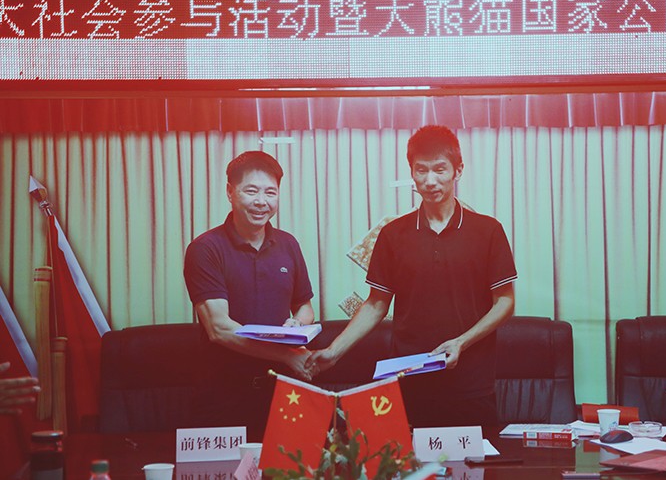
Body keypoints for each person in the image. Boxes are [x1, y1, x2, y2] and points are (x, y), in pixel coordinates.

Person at [308, 125, 516, 427]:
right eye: (421, 170)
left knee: (475, 458)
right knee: (411, 459)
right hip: (409, 381)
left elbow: (505, 302)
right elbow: (376, 304)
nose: (430, 181)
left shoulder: (488, 231)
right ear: (412, 173)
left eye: (440, 169)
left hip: (472, 385)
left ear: (458, 170)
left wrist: (461, 342)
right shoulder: (393, 234)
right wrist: (333, 352)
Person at [183, 151, 315, 437]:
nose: (261, 201)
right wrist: (286, 355)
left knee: (289, 461)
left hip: (281, 390)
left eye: (271, 192)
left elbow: (304, 306)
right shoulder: (205, 249)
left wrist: (297, 324)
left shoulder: (288, 244)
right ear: (230, 192)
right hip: (223, 394)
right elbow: (219, 328)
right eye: (251, 191)